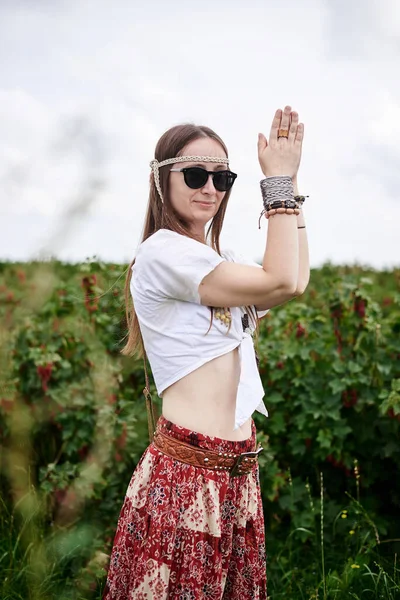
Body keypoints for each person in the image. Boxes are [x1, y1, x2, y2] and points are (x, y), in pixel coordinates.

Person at [102, 105, 309, 599]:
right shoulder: (161, 253)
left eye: (223, 177)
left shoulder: (221, 259)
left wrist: (292, 183)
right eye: (195, 173)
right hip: (187, 474)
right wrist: (276, 182)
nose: (210, 188)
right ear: (162, 180)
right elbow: (279, 278)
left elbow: (294, 282)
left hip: (237, 474)